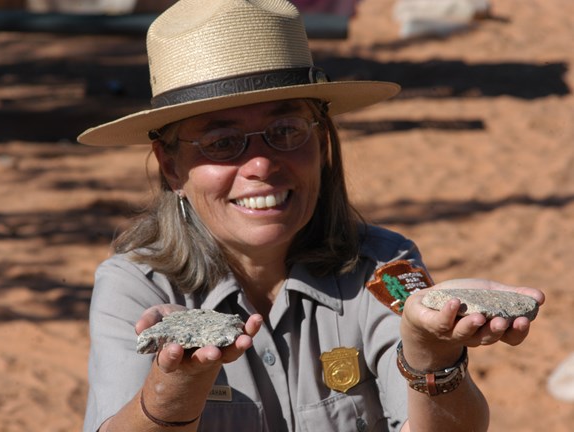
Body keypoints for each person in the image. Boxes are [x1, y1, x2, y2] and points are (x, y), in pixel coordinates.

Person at [78, 0, 544, 431]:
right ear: (170, 164)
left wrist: (432, 352)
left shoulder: (384, 268)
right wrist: (176, 380)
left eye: (285, 130)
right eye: (222, 141)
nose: (260, 164)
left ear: (322, 142)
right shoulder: (135, 287)